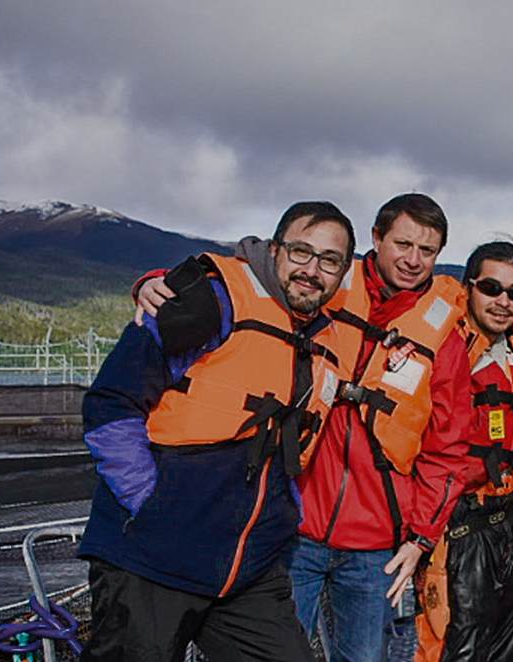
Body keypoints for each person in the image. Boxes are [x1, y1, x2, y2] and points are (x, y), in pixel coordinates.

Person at [131, 194, 476, 661]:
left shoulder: (444, 338)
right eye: (403, 244)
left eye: (427, 250)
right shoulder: (324, 281)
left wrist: (420, 538)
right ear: (376, 238)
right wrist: (157, 284)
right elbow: (243, 282)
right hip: (292, 529)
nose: (413, 260)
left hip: (378, 546)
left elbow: (448, 449)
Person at [80, 202, 357, 661]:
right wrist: (150, 502)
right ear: (275, 250)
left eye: (330, 261)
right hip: (151, 557)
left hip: (247, 572)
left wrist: (282, 516)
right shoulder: (212, 300)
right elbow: (111, 402)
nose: (312, 270)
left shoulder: (325, 338)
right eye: (301, 252)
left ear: (343, 272)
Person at [414, 241, 513, 661]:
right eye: (491, 288)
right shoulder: (443, 349)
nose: (503, 301)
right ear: (469, 287)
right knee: (452, 650)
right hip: (460, 526)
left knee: (506, 650)